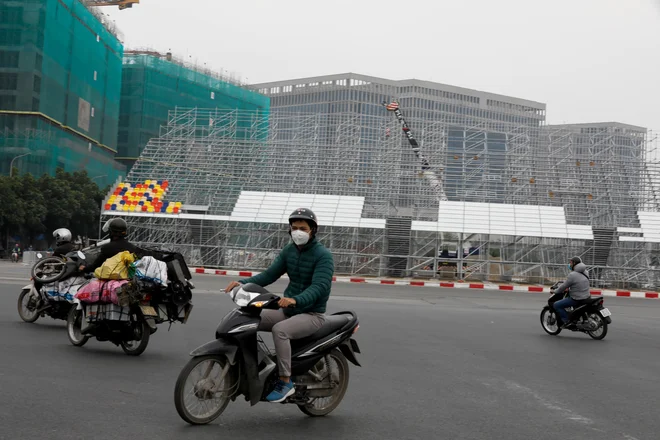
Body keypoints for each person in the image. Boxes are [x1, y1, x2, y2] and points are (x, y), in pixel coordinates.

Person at [224, 208, 334, 403]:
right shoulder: (289, 251)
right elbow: (269, 275)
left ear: (312, 231)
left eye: (303, 228)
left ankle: (285, 381)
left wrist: (295, 299)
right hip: (288, 310)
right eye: (294, 228)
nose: (297, 232)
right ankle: (256, 366)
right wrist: (243, 282)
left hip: (311, 314)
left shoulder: (323, 255)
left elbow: (320, 286)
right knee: (247, 318)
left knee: (280, 330)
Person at [79, 218, 143, 274]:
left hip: (109, 279)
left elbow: (96, 266)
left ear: (111, 231)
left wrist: (84, 268)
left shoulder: (107, 248)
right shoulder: (132, 247)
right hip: (128, 280)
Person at [553, 256, 591, 327]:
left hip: (577, 298)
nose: (569, 265)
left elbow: (564, 286)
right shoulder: (586, 272)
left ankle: (567, 321)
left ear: (574, 264)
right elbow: (578, 281)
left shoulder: (572, 275)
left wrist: (556, 291)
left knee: (556, 305)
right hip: (587, 296)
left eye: (570, 263)